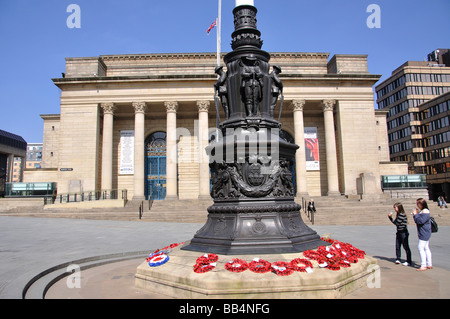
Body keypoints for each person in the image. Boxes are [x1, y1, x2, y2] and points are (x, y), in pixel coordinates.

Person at [412, 198, 432, 271]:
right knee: (426, 247)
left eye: (418, 204)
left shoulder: (425, 211)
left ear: (422, 204)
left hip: (424, 232)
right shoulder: (424, 211)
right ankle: (429, 264)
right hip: (425, 232)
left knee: (421, 247)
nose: (417, 205)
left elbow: (420, 221)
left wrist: (415, 214)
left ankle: (423, 265)